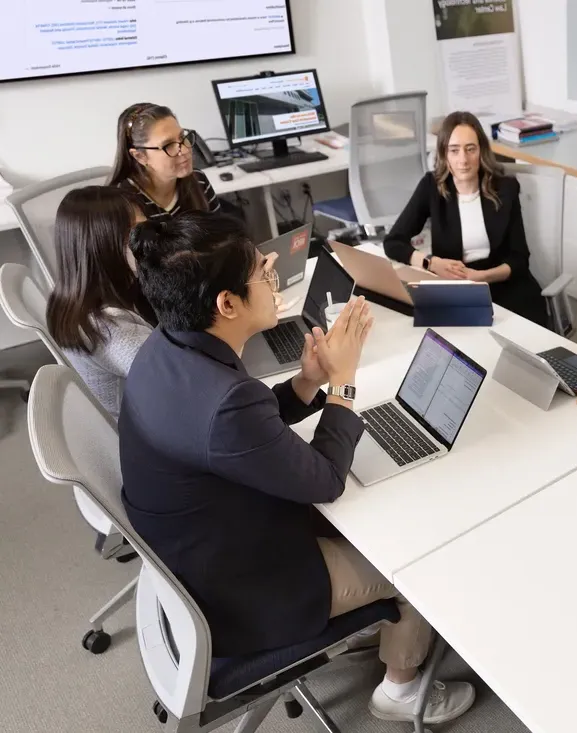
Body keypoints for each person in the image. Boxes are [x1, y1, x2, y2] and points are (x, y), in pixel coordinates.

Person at [120, 213, 474, 725]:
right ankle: (401, 688)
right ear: (226, 304)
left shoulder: (166, 346)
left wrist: (308, 382)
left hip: (200, 554)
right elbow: (326, 479)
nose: (272, 276)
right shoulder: (225, 402)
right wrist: (344, 381)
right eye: (263, 272)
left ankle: (376, 624)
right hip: (246, 593)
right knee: (417, 560)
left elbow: (236, 434)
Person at [383, 111, 548, 326]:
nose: (463, 159)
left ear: (481, 151)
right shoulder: (431, 187)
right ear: (444, 154)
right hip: (455, 285)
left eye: (470, 149)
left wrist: (482, 277)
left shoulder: (505, 188)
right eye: (454, 150)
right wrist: (430, 263)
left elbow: (519, 259)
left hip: (503, 284)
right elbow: (393, 242)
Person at [45, 186, 155, 420]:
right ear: (101, 245)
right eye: (136, 232)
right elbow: (187, 389)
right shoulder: (115, 332)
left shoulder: (71, 297)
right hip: (149, 432)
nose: (149, 241)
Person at [108, 103, 220, 220]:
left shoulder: (199, 180)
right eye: (168, 145)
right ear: (140, 156)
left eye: (182, 137)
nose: (185, 150)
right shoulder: (122, 206)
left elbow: (224, 235)